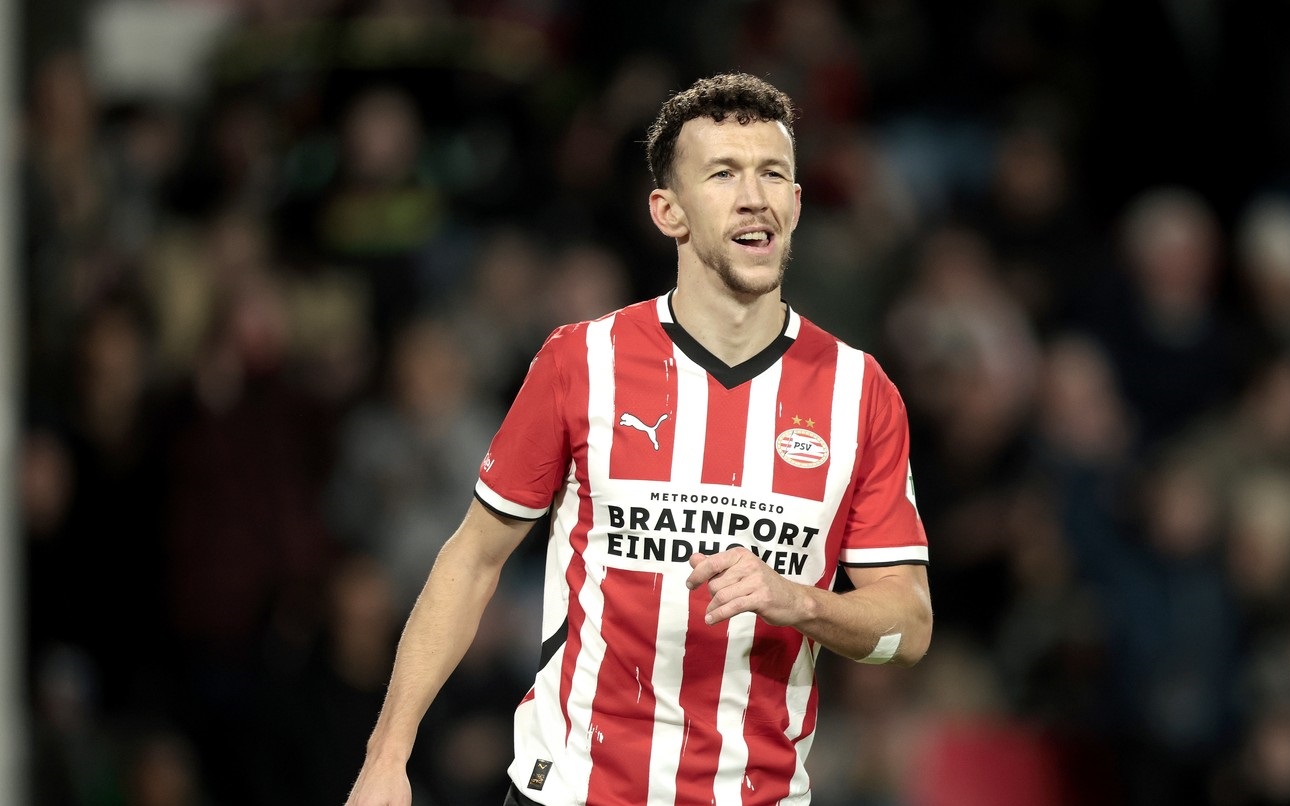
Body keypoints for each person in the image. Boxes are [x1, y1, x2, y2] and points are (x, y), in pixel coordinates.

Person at [344, 71, 933, 806]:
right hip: (569, 790)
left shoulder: (860, 392)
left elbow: (908, 627)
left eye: (772, 173)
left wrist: (803, 602)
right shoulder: (579, 362)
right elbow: (472, 558)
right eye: (723, 173)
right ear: (669, 211)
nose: (754, 195)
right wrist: (386, 756)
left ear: (796, 203)